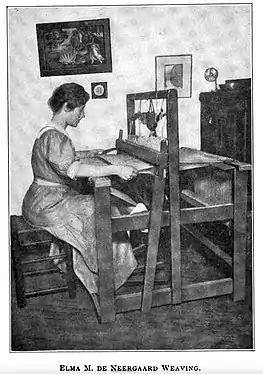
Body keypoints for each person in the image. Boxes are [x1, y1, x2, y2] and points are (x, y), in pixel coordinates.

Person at [22, 82, 138, 296]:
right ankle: (106, 277)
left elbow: (61, 162)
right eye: (80, 110)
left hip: (42, 200)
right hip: (47, 206)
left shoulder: (49, 132)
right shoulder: (55, 137)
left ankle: (96, 270)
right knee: (103, 211)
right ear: (67, 106)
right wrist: (117, 168)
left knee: (96, 205)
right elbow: (73, 170)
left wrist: (88, 154)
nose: (83, 115)